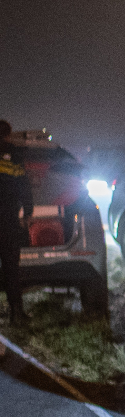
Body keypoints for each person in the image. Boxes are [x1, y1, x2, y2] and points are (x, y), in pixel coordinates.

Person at [0, 120, 30, 324]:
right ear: (8, 135)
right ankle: (17, 314)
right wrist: (28, 212)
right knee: (11, 268)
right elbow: (23, 185)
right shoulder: (15, 155)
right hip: (8, 219)